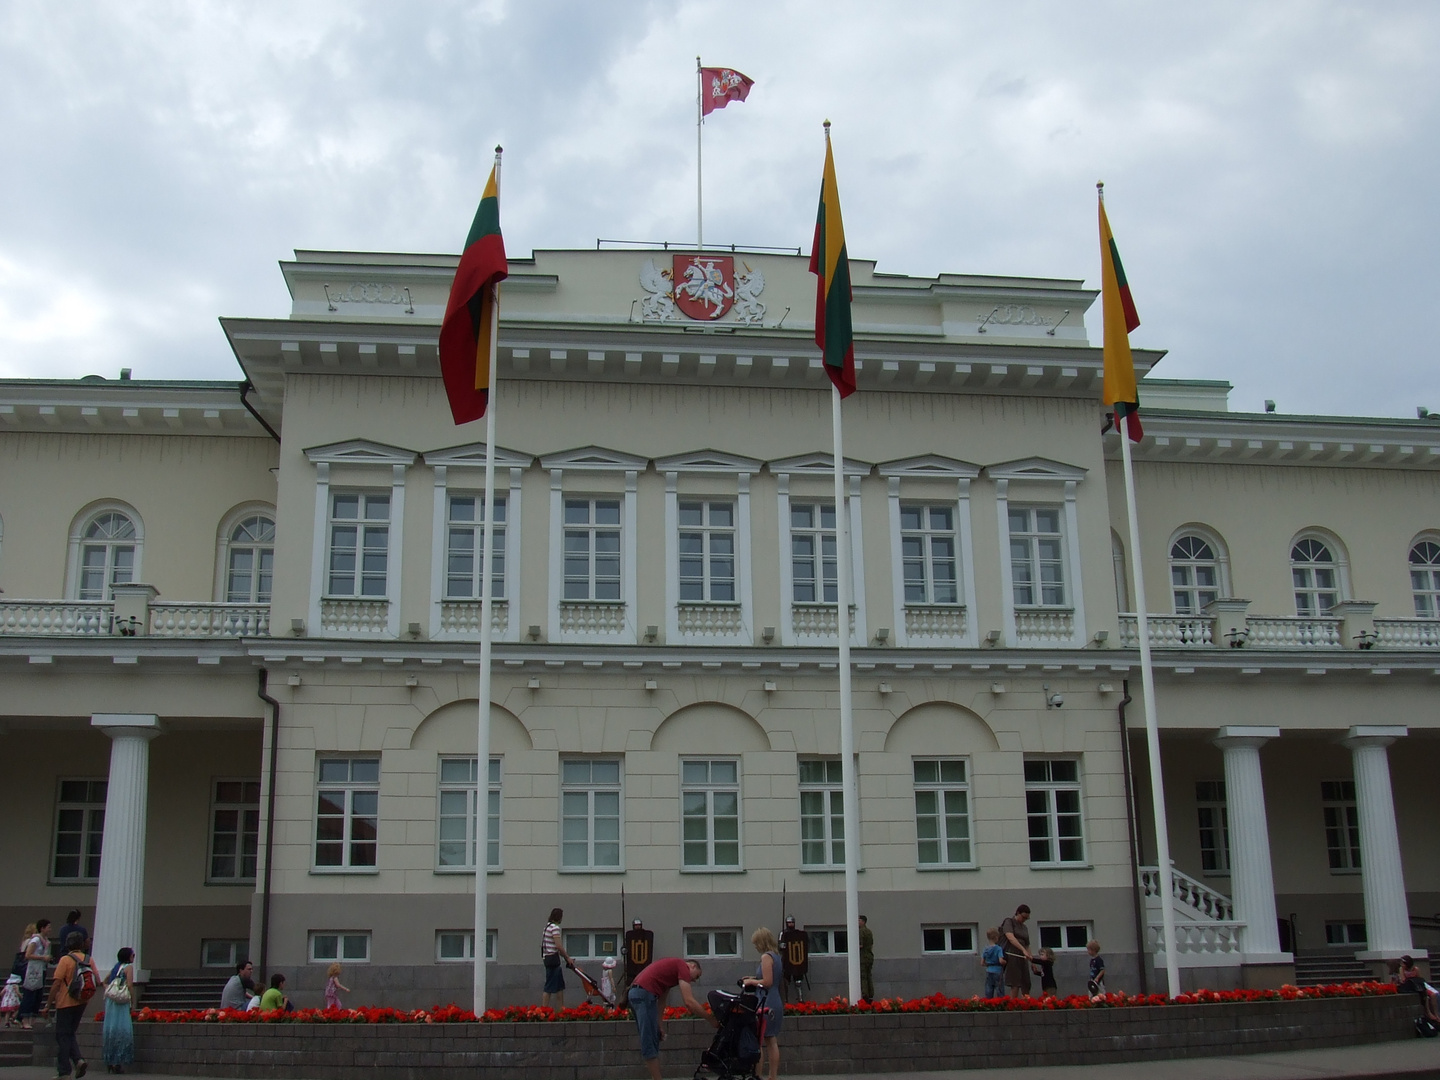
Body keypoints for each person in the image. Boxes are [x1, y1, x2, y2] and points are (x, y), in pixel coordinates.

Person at [627, 956, 716, 1080]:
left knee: (653, 1038)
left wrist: (659, 1025)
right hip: (644, 994)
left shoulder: (670, 972)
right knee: (648, 1040)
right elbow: (689, 1001)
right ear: (692, 966)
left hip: (639, 993)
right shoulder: (683, 966)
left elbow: (662, 1001)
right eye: (697, 976)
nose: (694, 980)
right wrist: (711, 1019)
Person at [48, 931, 94, 1080]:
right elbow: (96, 980)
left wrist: (48, 1004)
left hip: (65, 1002)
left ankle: (64, 1072)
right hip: (82, 1002)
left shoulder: (65, 960)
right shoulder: (88, 959)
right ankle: (78, 1060)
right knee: (69, 1033)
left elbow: (56, 983)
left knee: (62, 1035)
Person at [743, 928, 783, 1080]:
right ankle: (772, 1076)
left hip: (766, 1000)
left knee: (759, 1040)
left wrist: (751, 981)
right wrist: (754, 977)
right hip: (775, 999)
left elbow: (767, 982)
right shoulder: (777, 956)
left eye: (756, 944)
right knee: (771, 1039)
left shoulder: (766, 957)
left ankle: (758, 1075)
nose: (755, 947)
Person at [101, 947, 135, 1074]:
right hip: (122, 1001)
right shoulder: (128, 967)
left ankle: (110, 1059)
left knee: (111, 1028)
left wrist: (109, 988)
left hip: (111, 1001)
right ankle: (118, 1061)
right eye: (133, 955)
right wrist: (133, 1000)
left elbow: (104, 981)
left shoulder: (116, 967)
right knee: (122, 1028)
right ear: (129, 957)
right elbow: (130, 985)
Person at [19, 919, 51, 1029]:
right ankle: (25, 1019)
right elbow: (28, 955)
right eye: (48, 927)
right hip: (33, 970)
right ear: (42, 928)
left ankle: (32, 1018)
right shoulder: (36, 940)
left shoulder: (46, 940)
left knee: (38, 995)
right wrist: (42, 957)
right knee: (30, 994)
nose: (50, 929)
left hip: (41, 969)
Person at [540, 908, 571, 1010]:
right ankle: (544, 1010)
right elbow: (558, 946)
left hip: (547, 958)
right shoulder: (555, 928)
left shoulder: (546, 927)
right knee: (549, 986)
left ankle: (561, 1008)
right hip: (553, 959)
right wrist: (567, 958)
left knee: (559, 987)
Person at [1000, 904, 1033, 998]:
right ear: (1018, 913)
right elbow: (1010, 937)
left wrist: (1032, 961)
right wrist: (1023, 950)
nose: (1024, 920)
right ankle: (1014, 1004)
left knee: (1026, 981)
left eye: (1027, 918)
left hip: (1023, 956)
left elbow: (1027, 944)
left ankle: (1026, 1001)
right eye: (1023, 917)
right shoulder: (1009, 922)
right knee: (1015, 982)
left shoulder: (1024, 928)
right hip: (1013, 954)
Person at [778, 916, 809, 1003]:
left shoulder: (798, 934)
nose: (791, 924)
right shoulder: (783, 934)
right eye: (789, 923)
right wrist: (783, 945)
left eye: (792, 922)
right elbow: (780, 947)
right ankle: (785, 1000)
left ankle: (800, 999)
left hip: (797, 962)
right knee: (785, 982)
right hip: (786, 961)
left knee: (798, 982)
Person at [622, 918, 654, 994]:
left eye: (639, 925)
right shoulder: (630, 935)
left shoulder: (646, 935)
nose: (638, 927)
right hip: (632, 969)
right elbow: (625, 948)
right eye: (636, 925)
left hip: (644, 967)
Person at [981, 928, 1005, 999]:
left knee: (989, 989)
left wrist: (988, 964)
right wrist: (1004, 962)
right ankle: (1001, 1004)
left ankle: (989, 1004)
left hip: (989, 970)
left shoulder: (985, 949)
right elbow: (1001, 960)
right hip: (998, 970)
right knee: (999, 989)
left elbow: (982, 963)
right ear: (996, 938)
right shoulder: (998, 948)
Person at [857, 915, 875, 1002]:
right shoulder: (869, 931)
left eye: (859, 920)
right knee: (869, 976)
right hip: (869, 956)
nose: (858, 922)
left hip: (863, 957)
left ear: (863, 922)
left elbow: (860, 945)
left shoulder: (861, 931)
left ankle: (865, 996)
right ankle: (871, 994)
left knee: (863, 977)